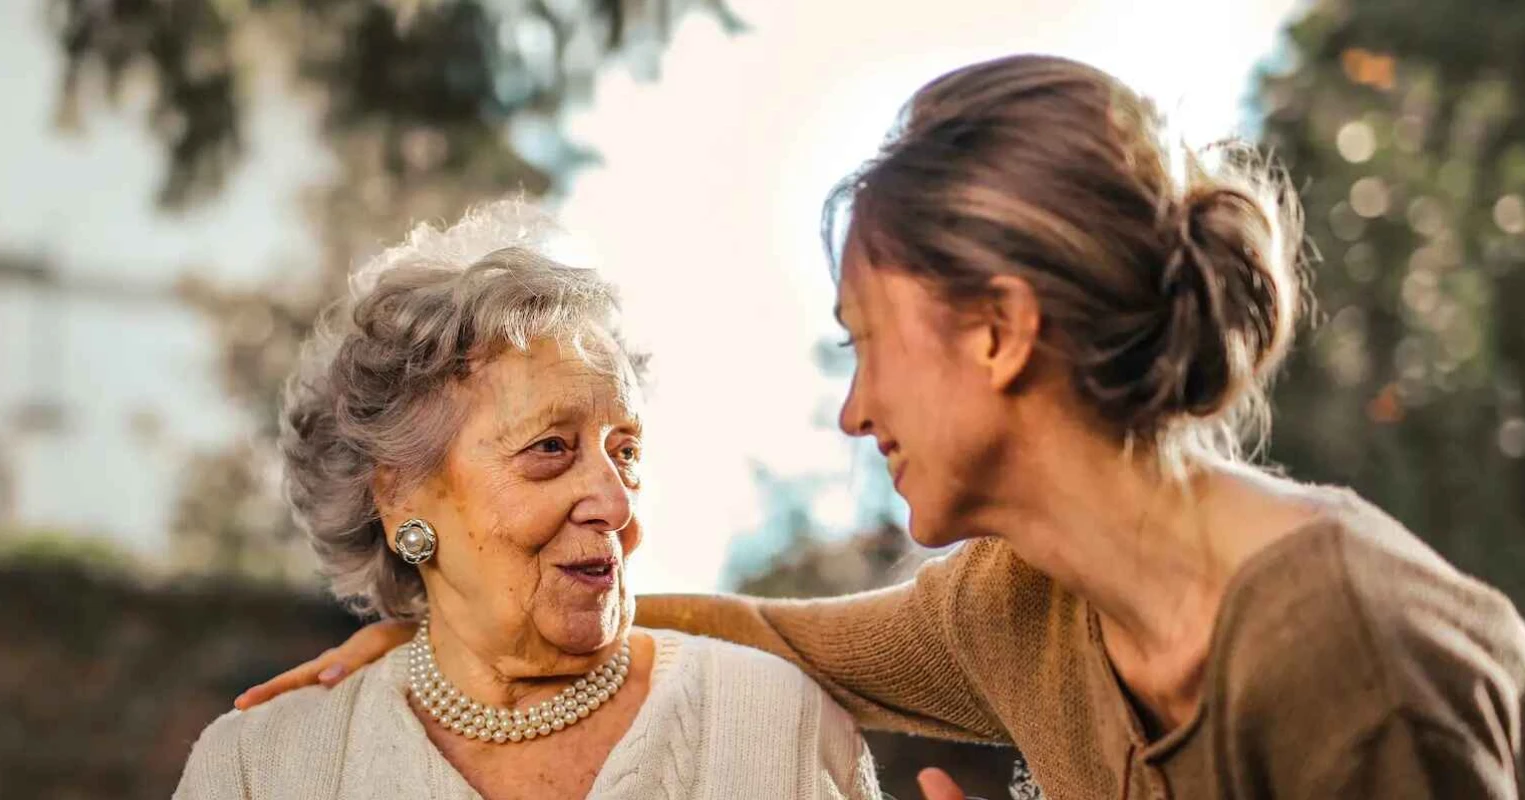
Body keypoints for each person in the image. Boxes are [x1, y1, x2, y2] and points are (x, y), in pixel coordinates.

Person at [234, 55, 1525, 799]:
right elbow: (768, 632)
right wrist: (438, 624)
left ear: (999, 331)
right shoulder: (1021, 607)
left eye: (864, 340)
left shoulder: (1339, 656)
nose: (852, 409)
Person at [173, 201, 880, 799]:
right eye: (550, 449)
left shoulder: (778, 729)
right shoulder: (258, 770)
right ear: (399, 495)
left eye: (624, 452)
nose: (613, 501)